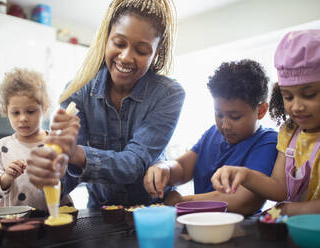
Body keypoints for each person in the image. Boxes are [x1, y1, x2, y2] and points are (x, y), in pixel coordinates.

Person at [26, 0, 185, 208]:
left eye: (142, 50)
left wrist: (77, 154)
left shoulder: (168, 95)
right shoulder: (78, 91)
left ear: (156, 53)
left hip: (153, 212)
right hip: (100, 214)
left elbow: (134, 163)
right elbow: (66, 173)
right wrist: (51, 172)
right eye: (119, 43)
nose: (126, 57)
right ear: (106, 39)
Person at [144, 59, 278, 215]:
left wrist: (183, 202)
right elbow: (182, 168)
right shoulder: (212, 134)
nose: (225, 125)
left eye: (235, 117)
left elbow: (244, 201)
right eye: (219, 114)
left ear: (261, 111)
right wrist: (163, 168)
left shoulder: (268, 142)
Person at [211, 30, 320, 216]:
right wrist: (244, 175)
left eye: (309, 95)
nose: (297, 106)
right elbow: (280, 189)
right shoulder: (289, 133)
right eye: (288, 96)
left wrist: (289, 209)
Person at [0, 68, 53, 210]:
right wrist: (5, 178)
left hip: (55, 221)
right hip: (15, 223)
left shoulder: (57, 143)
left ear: (45, 108)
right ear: (6, 110)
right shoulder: (1, 147)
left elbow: (76, 174)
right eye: (15, 112)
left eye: (31, 111)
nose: (23, 118)